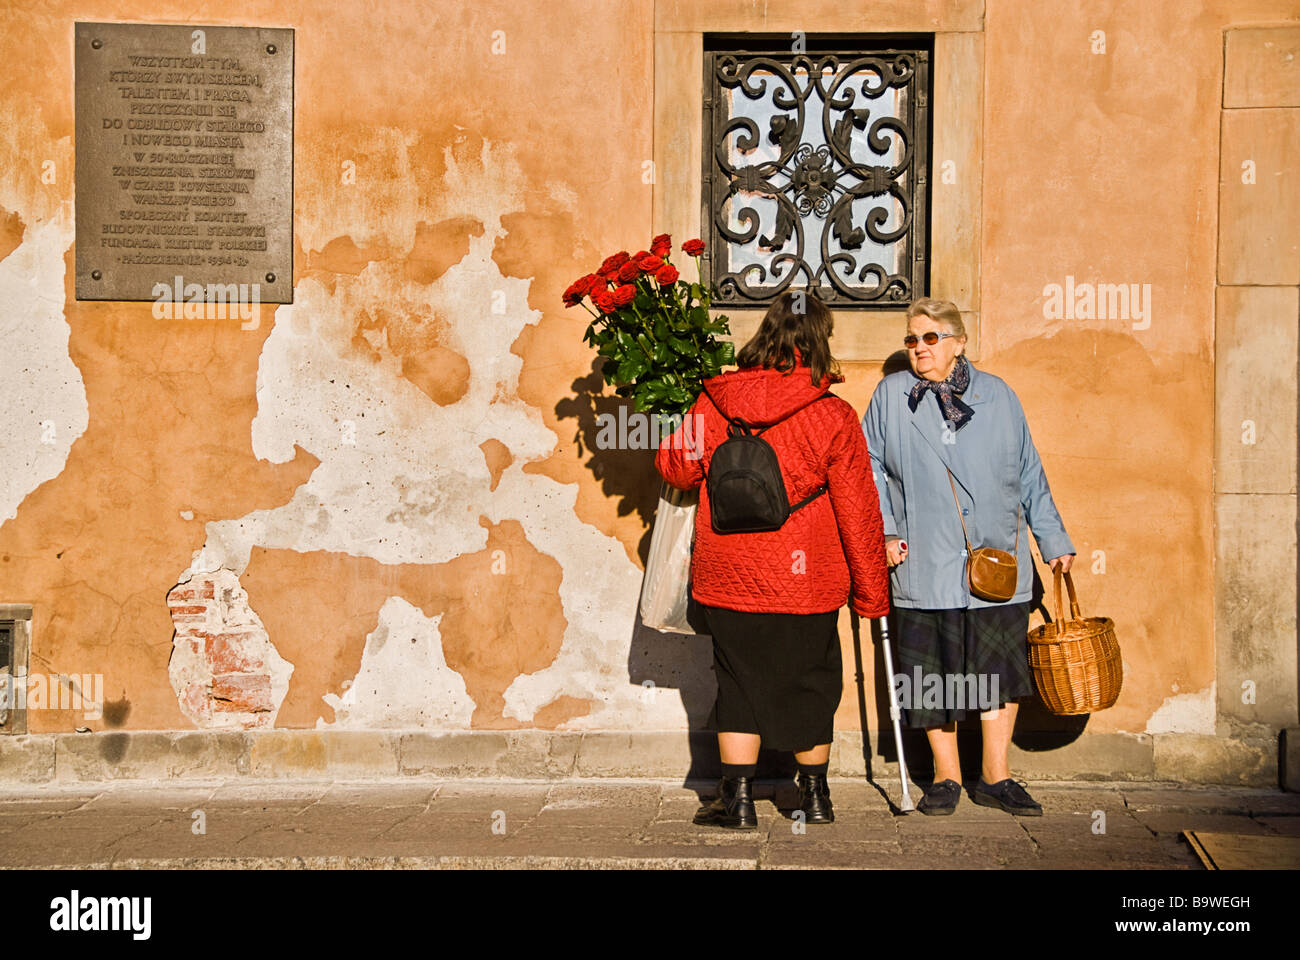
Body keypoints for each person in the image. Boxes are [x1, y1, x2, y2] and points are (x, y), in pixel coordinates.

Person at [656, 290, 891, 829]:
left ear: (765, 335)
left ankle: (737, 802)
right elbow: (859, 512)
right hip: (806, 581)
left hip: (728, 575)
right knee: (812, 680)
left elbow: (675, 469)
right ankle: (814, 798)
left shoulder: (712, 401)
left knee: (736, 682)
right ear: (818, 341)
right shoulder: (832, 414)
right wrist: (871, 595)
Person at [862, 297, 1075, 816]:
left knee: (996, 671)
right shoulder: (891, 396)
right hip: (924, 559)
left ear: (959, 343)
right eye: (911, 339)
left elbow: (1029, 470)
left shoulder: (998, 396)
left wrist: (1053, 538)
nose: (918, 348)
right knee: (933, 672)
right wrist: (886, 533)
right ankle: (946, 777)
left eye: (930, 338)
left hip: (996, 558)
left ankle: (996, 778)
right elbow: (867, 468)